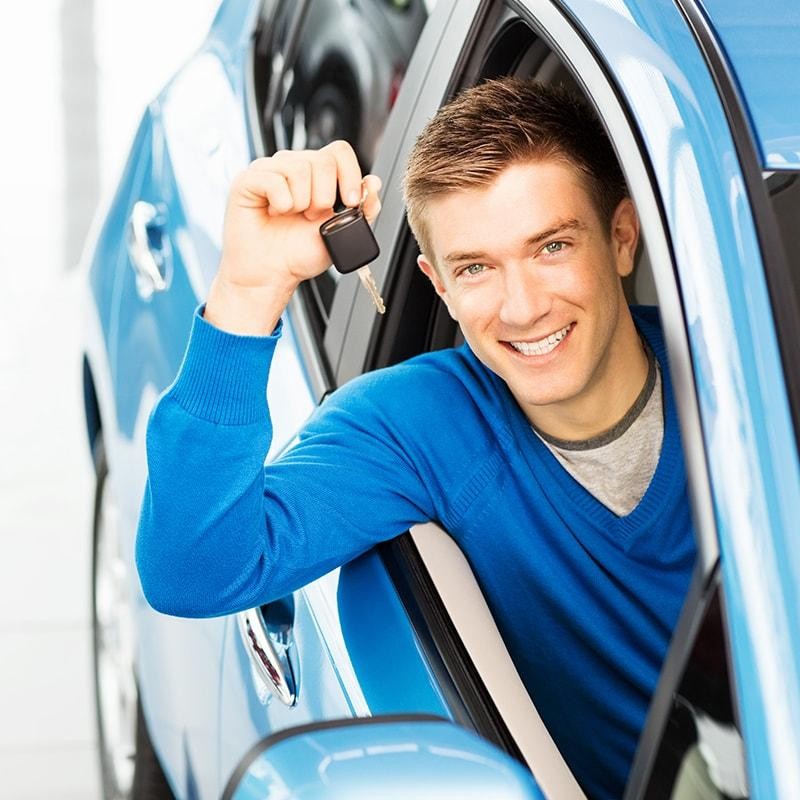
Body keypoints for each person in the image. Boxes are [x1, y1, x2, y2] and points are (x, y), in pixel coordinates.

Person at [136, 77, 696, 799]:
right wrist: (250, 291)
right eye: (476, 269)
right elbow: (193, 568)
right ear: (438, 285)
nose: (523, 307)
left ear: (622, 238)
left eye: (552, 246)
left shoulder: (749, 384)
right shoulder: (418, 427)